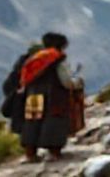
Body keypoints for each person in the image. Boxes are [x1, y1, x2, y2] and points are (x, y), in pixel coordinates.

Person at [17, 33, 84, 163]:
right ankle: (53, 153)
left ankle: (30, 154)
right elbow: (66, 81)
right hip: (54, 96)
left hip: (33, 96)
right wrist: (78, 82)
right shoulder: (57, 59)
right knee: (53, 122)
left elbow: (25, 79)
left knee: (32, 123)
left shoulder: (35, 59)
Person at [1, 43, 41, 136]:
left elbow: (7, 86)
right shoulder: (36, 68)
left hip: (18, 105)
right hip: (30, 103)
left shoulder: (19, 68)